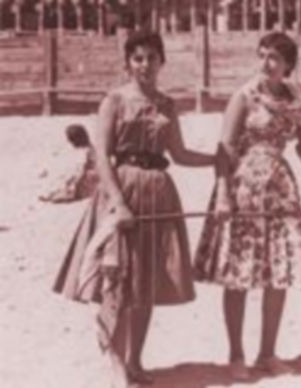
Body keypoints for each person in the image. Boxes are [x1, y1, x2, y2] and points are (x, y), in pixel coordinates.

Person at [52, 30, 216, 387]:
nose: (145, 65)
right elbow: (102, 156)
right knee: (119, 280)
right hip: (122, 192)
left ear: (162, 61)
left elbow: (180, 154)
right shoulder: (114, 100)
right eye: (138, 58)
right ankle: (114, 362)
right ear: (128, 62)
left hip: (159, 192)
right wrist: (119, 202)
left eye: (152, 58)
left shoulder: (167, 105)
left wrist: (218, 159)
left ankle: (136, 361)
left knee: (148, 280)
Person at [193, 31, 301, 380]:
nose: (266, 63)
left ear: (288, 66)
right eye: (262, 55)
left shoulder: (294, 100)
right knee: (238, 275)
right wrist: (222, 193)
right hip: (242, 190)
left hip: (280, 191)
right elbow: (224, 151)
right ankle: (236, 355)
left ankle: (268, 353)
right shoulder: (244, 96)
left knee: (277, 274)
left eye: (274, 58)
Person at [39, 124, 99, 203]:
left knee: (71, 179)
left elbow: (82, 170)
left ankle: (62, 194)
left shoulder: (87, 151)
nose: (68, 141)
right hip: (82, 175)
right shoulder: (84, 148)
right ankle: (56, 192)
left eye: (70, 139)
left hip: (86, 178)